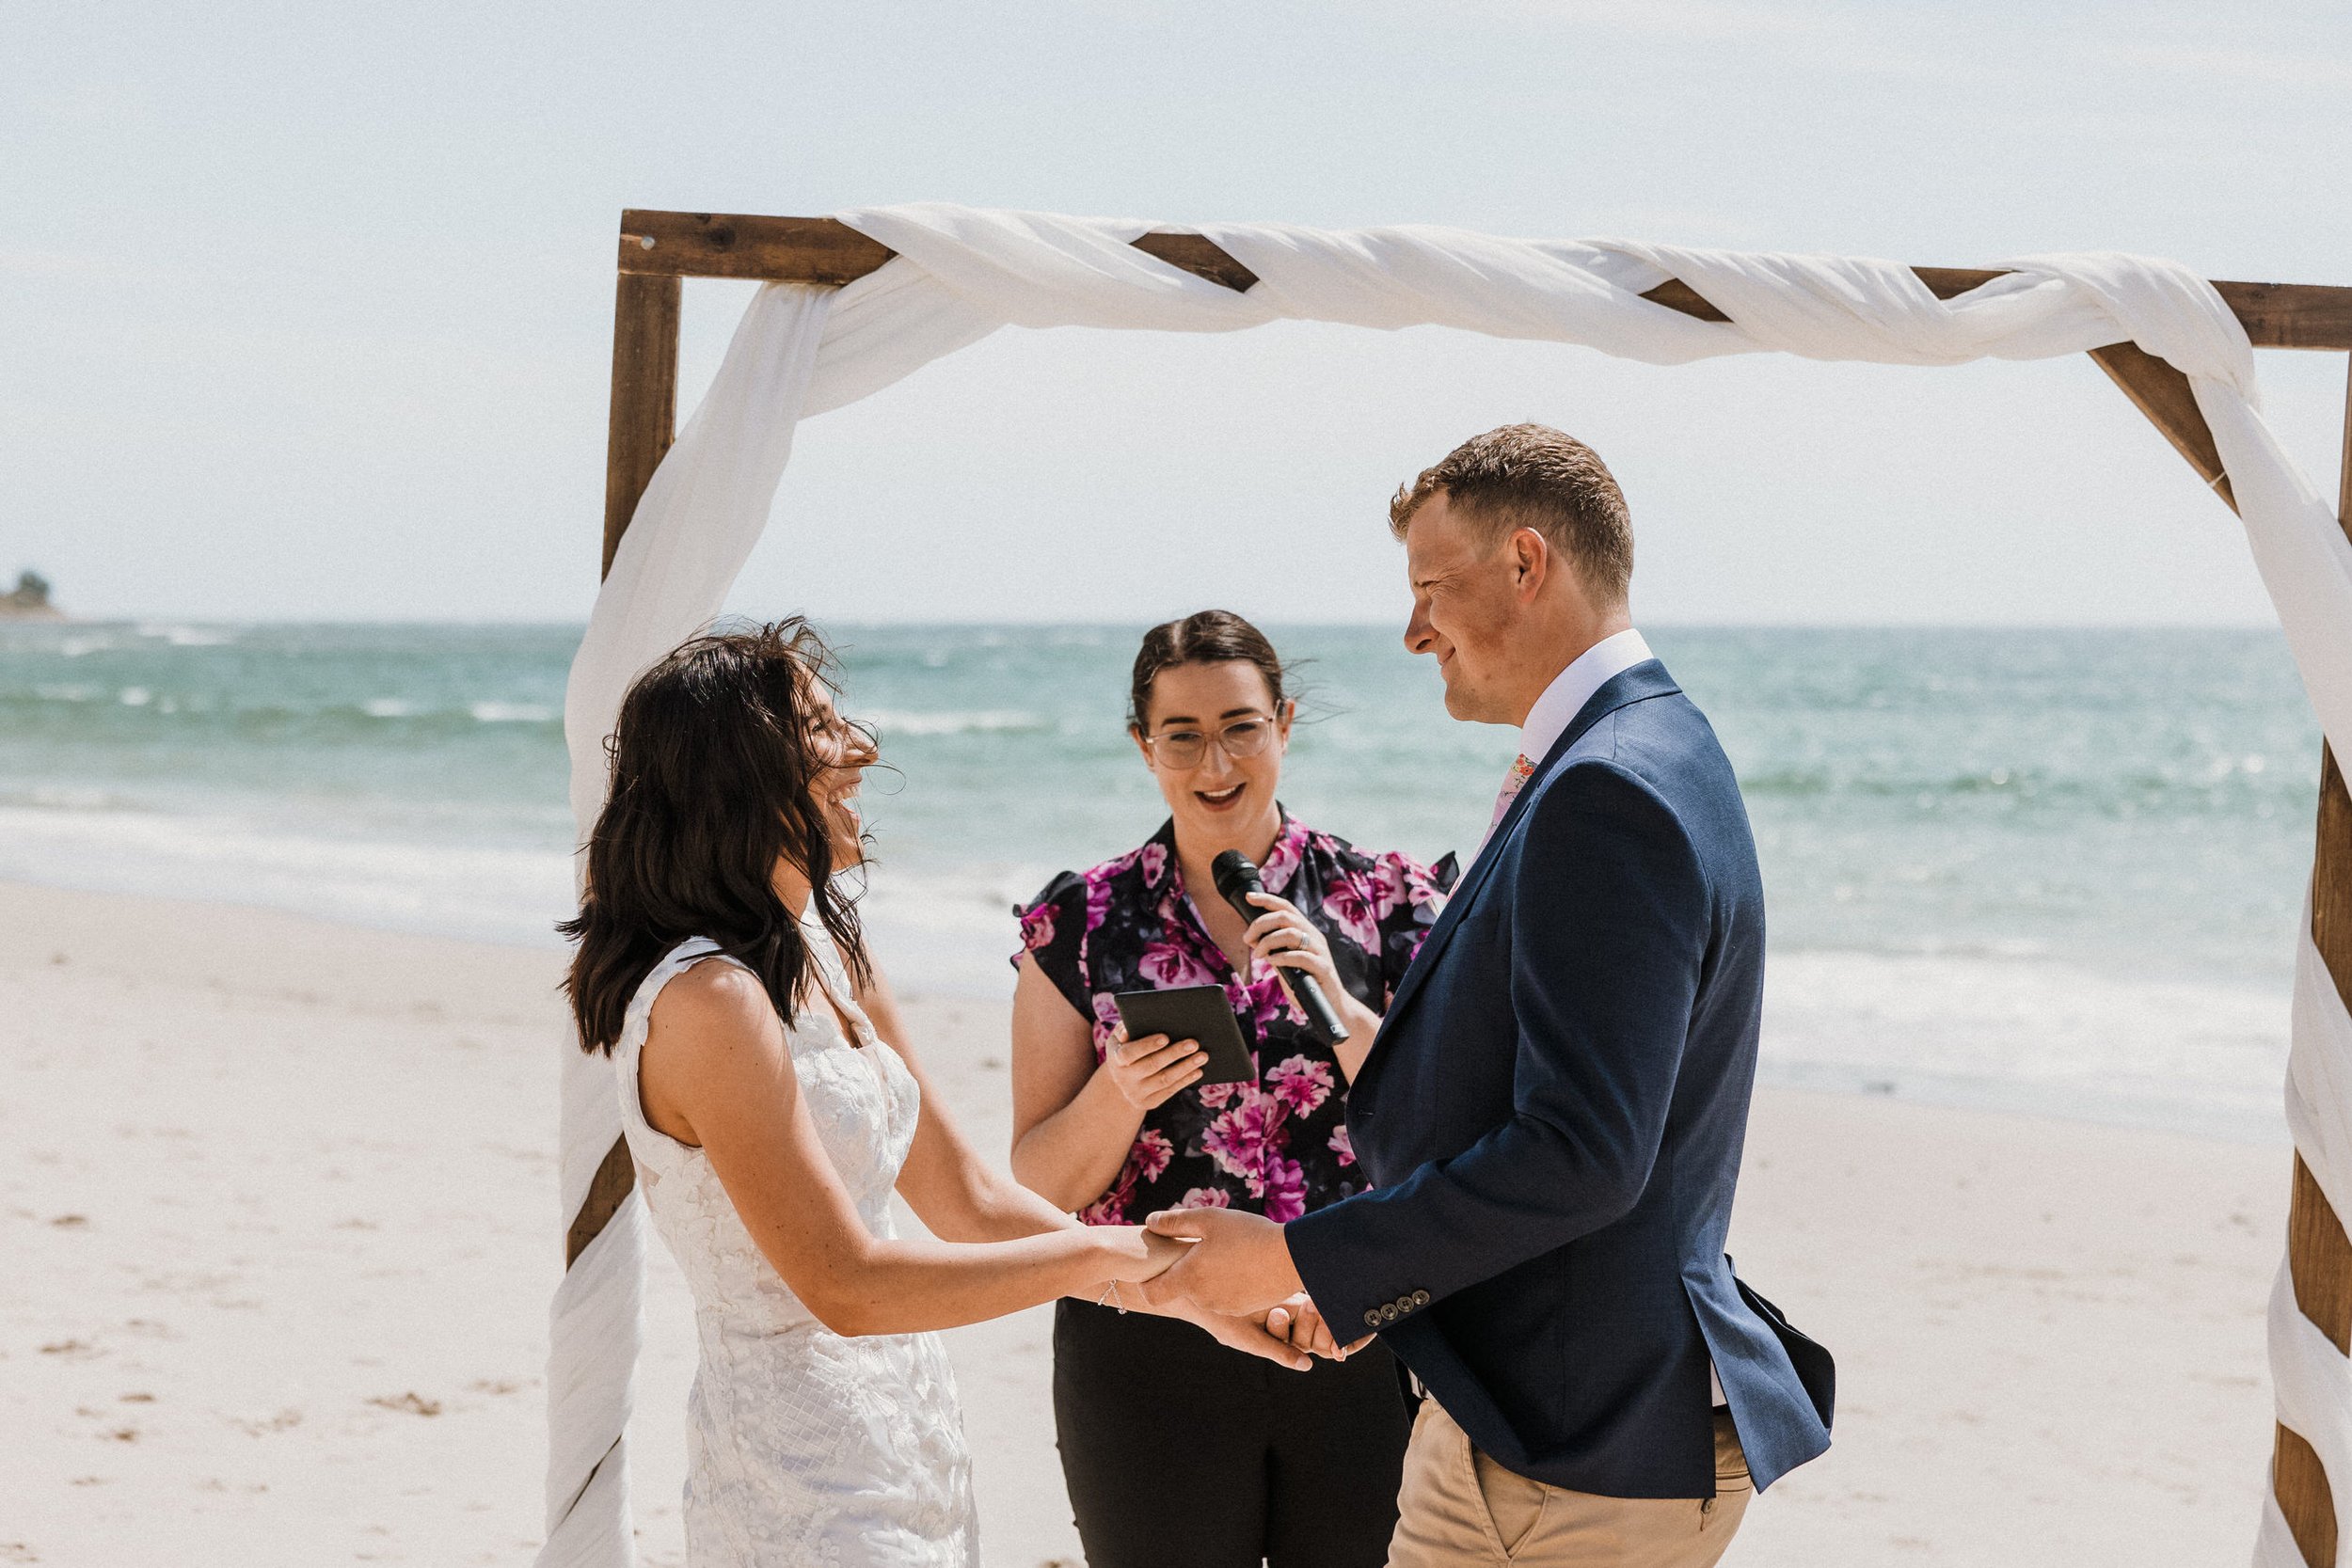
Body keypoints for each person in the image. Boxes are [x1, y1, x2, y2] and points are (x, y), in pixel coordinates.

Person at [1143, 428, 1836, 1568]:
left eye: (1429, 587)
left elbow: (1580, 1153)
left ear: (1525, 564)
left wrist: (1295, 1257)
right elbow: (1521, 1099)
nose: (1413, 630)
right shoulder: (1658, 745)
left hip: (1558, 1460)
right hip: (1578, 1420)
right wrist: (1379, 1288)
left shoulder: (1606, 789)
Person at [561, 620, 1309, 1568]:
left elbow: (968, 1201)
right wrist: (1110, 1248)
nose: (863, 749)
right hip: (798, 1475)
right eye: (822, 729)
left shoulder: (832, 955)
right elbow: (847, 1285)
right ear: (742, 768)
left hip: (911, 1436)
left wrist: (1181, 1297)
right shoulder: (709, 1002)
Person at [1009, 610, 1454, 1568]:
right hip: (1143, 1342)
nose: (1216, 760)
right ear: (1144, 745)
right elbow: (1035, 1184)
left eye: (1241, 725)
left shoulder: (1389, 900)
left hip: (1351, 1329)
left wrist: (1338, 1002)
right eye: (1183, 734)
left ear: (1283, 723)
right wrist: (1117, 1091)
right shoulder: (1078, 922)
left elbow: (1449, 1133)